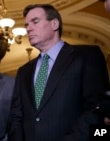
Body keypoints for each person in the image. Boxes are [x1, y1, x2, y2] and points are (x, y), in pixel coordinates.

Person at [8, 4, 109, 141]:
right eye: (26, 25)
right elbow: (16, 117)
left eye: (35, 22)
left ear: (54, 24)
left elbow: (96, 109)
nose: (28, 29)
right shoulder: (23, 71)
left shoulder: (87, 55)